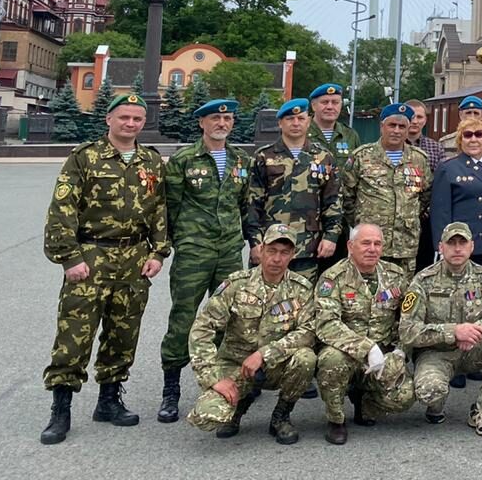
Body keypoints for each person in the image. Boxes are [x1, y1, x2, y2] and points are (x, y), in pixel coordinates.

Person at [40, 93, 170, 445]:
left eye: (137, 119)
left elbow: (160, 210)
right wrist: (69, 257)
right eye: (124, 117)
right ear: (109, 120)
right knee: (74, 335)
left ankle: (109, 400)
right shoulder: (84, 158)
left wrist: (158, 252)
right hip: (92, 256)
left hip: (134, 260)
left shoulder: (152, 162)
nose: (131, 124)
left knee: (123, 333)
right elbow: (62, 209)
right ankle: (61, 408)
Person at [158, 98, 253, 424]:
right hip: (193, 251)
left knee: (231, 321)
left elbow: (244, 205)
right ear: (202, 123)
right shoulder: (184, 160)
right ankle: (171, 390)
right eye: (215, 118)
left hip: (228, 250)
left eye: (227, 119)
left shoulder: (242, 159)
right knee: (183, 318)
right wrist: (168, 247)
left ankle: (223, 386)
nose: (222, 124)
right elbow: (169, 208)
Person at [185, 224, 316, 443]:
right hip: (237, 364)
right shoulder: (237, 284)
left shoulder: (301, 289)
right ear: (261, 250)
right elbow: (202, 329)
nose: (277, 259)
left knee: (306, 359)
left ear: (293, 255)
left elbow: (308, 331)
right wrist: (213, 378)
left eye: (284, 253)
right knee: (206, 416)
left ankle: (281, 415)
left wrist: (264, 354)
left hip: (276, 365)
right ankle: (237, 408)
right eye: (272, 251)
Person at [399, 222, 482, 437]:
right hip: (436, 353)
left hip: (473, 348)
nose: (457, 249)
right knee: (430, 392)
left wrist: (479, 327)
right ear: (440, 247)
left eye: (462, 243)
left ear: (471, 247)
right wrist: (454, 331)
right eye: (451, 243)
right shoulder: (423, 281)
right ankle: (436, 404)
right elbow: (407, 330)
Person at [314, 223, 414, 445]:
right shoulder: (332, 278)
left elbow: (407, 318)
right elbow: (326, 324)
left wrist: (400, 351)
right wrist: (366, 347)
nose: (372, 249)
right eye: (366, 243)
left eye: (377, 244)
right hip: (347, 352)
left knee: (405, 395)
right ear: (350, 246)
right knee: (331, 360)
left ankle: (364, 402)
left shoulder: (396, 275)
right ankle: (336, 419)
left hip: (383, 352)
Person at [245, 99, 342, 282]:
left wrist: (331, 237)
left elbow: (333, 201)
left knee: (303, 303)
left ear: (308, 121)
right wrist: (255, 241)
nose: (296, 123)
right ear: (280, 123)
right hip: (271, 246)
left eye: (300, 118)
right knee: (263, 299)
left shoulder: (323, 157)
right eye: (290, 119)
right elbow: (252, 203)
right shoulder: (264, 156)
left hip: (308, 247)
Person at [340, 103, 433, 271]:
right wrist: (363, 222)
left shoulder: (419, 159)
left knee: (403, 294)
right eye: (392, 125)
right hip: (370, 245)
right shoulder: (361, 156)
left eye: (402, 126)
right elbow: (347, 196)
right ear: (382, 126)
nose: (396, 131)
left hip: (405, 244)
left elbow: (425, 195)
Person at [431, 117, 482, 271]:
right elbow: (440, 212)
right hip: (462, 245)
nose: (473, 139)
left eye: (479, 134)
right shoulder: (449, 168)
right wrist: (442, 245)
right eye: (468, 135)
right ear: (460, 140)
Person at [406, 98, 448, 271]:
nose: (415, 121)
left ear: (425, 120)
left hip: (425, 220)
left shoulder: (435, 148)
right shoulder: (393, 146)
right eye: (411, 116)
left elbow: (439, 185)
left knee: (423, 267)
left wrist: (426, 212)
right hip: (397, 219)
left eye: (420, 117)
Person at [307, 82, 362, 169]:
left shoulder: (350, 135)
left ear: (341, 105)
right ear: (314, 106)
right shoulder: (301, 133)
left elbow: (357, 168)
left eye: (335, 102)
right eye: (325, 102)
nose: (330, 107)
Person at [439, 95, 482, 161]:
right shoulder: (445, 143)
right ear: (460, 115)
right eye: (468, 113)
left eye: (476, 113)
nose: (472, 117)